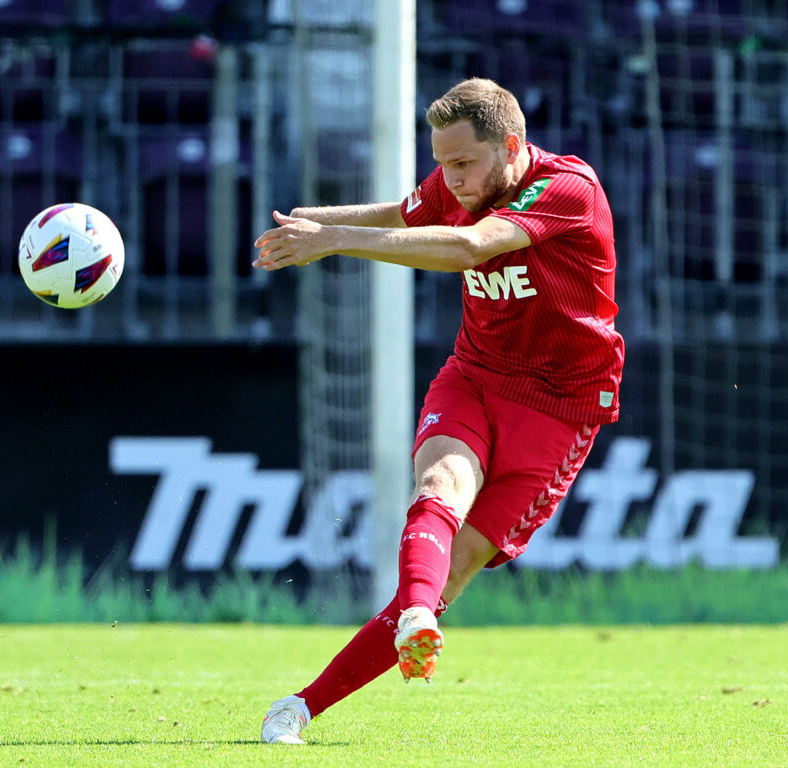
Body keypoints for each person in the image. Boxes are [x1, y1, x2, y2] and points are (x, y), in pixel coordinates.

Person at [252, 77, 624, 745]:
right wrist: (318, 221)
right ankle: (301, 709)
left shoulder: (567, 189)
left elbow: (467, 248)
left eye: (463, 164)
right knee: (437, 488)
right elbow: (406, 211)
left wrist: (333, 244)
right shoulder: (460, 179)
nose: (449, 180)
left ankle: (362, 655)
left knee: (451, 570)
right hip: (476, 376)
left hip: (561, 408)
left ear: (511, 146)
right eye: (443, 162)